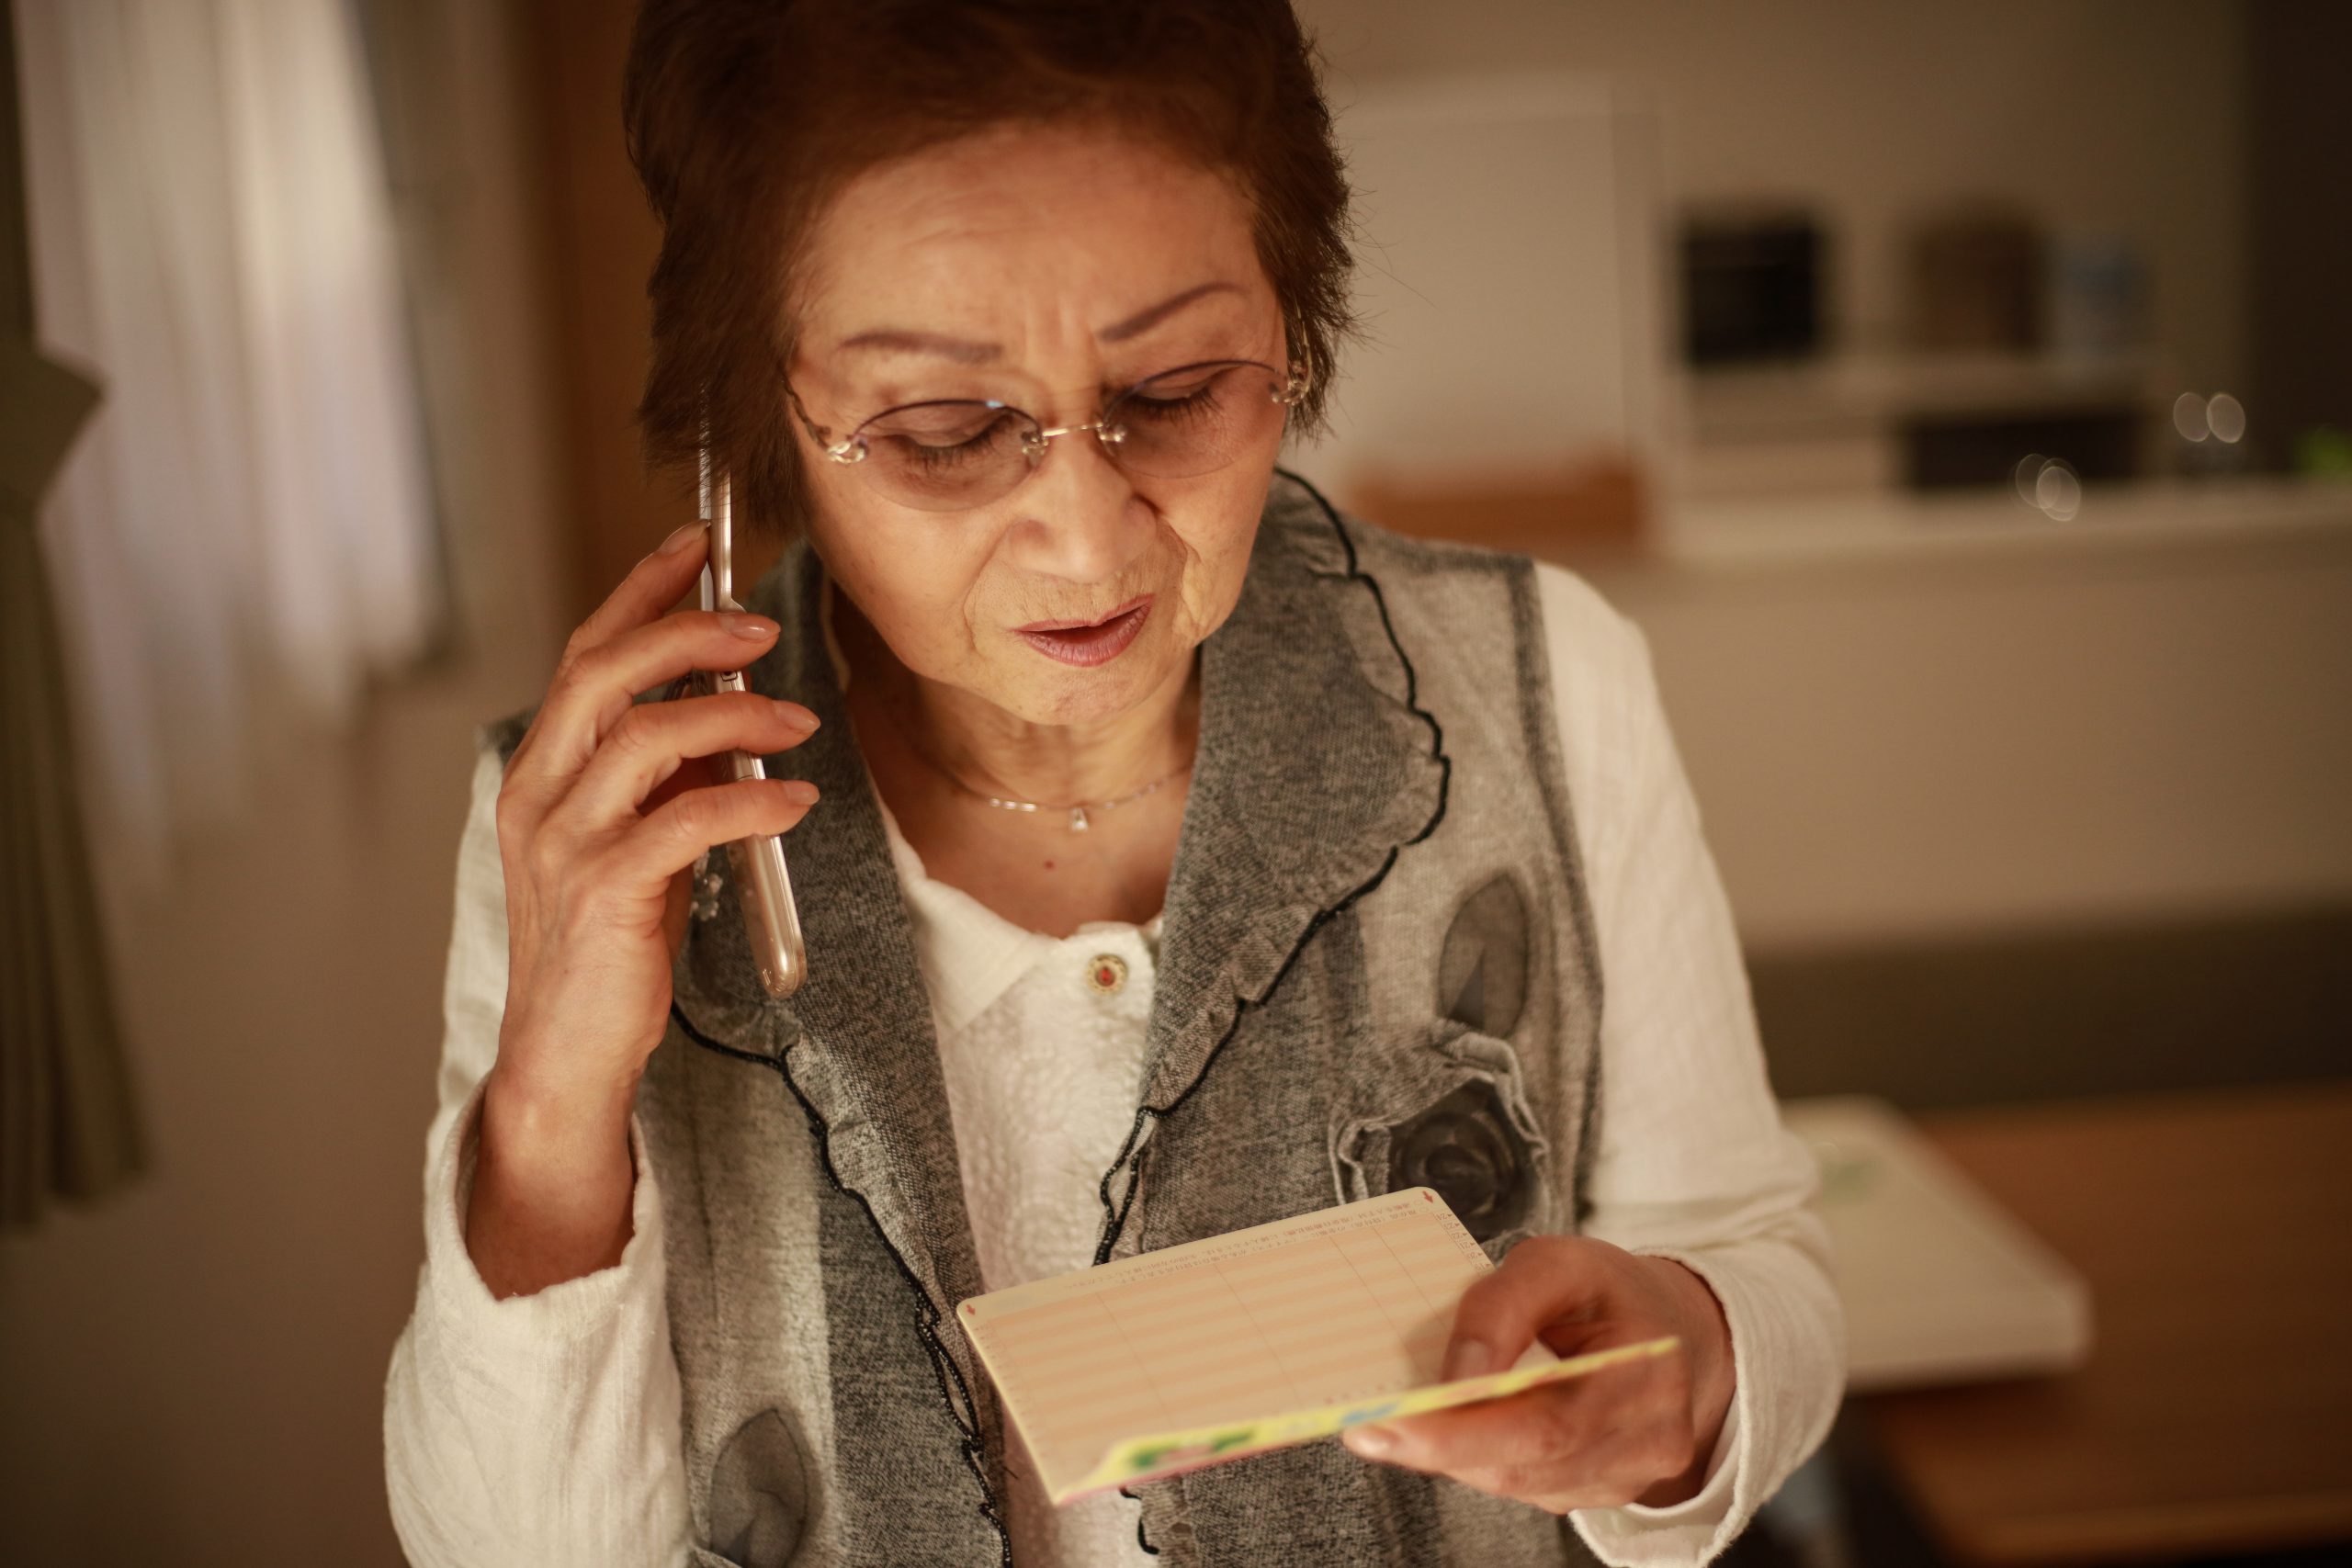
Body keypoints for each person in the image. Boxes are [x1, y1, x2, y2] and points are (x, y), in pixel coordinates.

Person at [382, 3, 1844, 1564]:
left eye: (1177, 391)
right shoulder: (597, 834)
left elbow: (1755, 1261)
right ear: (763, 425)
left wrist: (1695, 1364)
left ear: (1297, 325)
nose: (1088, 541)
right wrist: (550, 1117)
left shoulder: (1541, 682)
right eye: (946, 430)